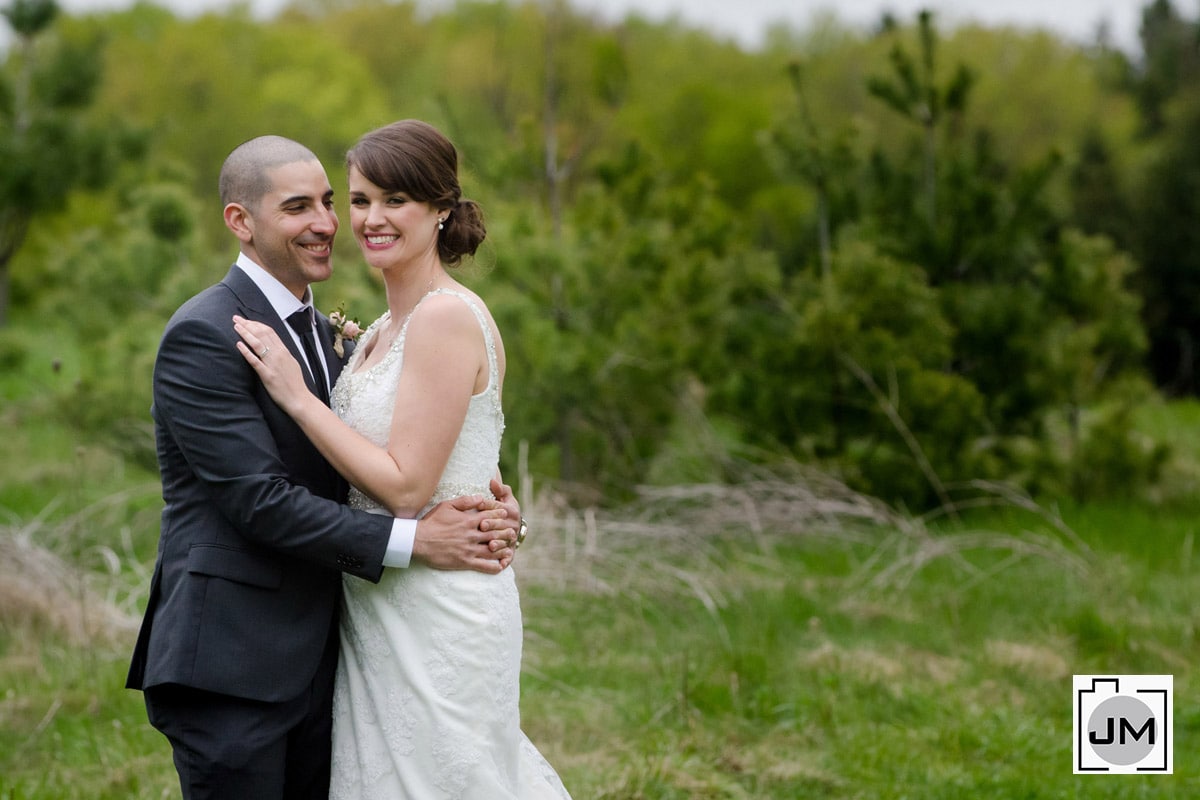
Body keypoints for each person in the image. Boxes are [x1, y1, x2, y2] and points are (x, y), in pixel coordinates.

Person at [126, 134, 522, 800]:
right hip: (233, 663)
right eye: (299, 207)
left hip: (338, 649)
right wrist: (417, 538)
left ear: (441, 210)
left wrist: (494, 514)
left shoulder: (338, 335)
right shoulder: (209, 331)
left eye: (331, 202)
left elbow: (405, 455)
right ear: (240, 222)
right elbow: (260, 501)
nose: (331, 223)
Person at [233, 120, 572, 798]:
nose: (370, 219)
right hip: (377, 606)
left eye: (397, 200)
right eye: (359, 200)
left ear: (441, 209)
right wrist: (500, 506)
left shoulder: (446, 317)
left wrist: (301, 401)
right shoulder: (378, 333)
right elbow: (462, 459)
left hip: (439, 607)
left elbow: (410, 486)